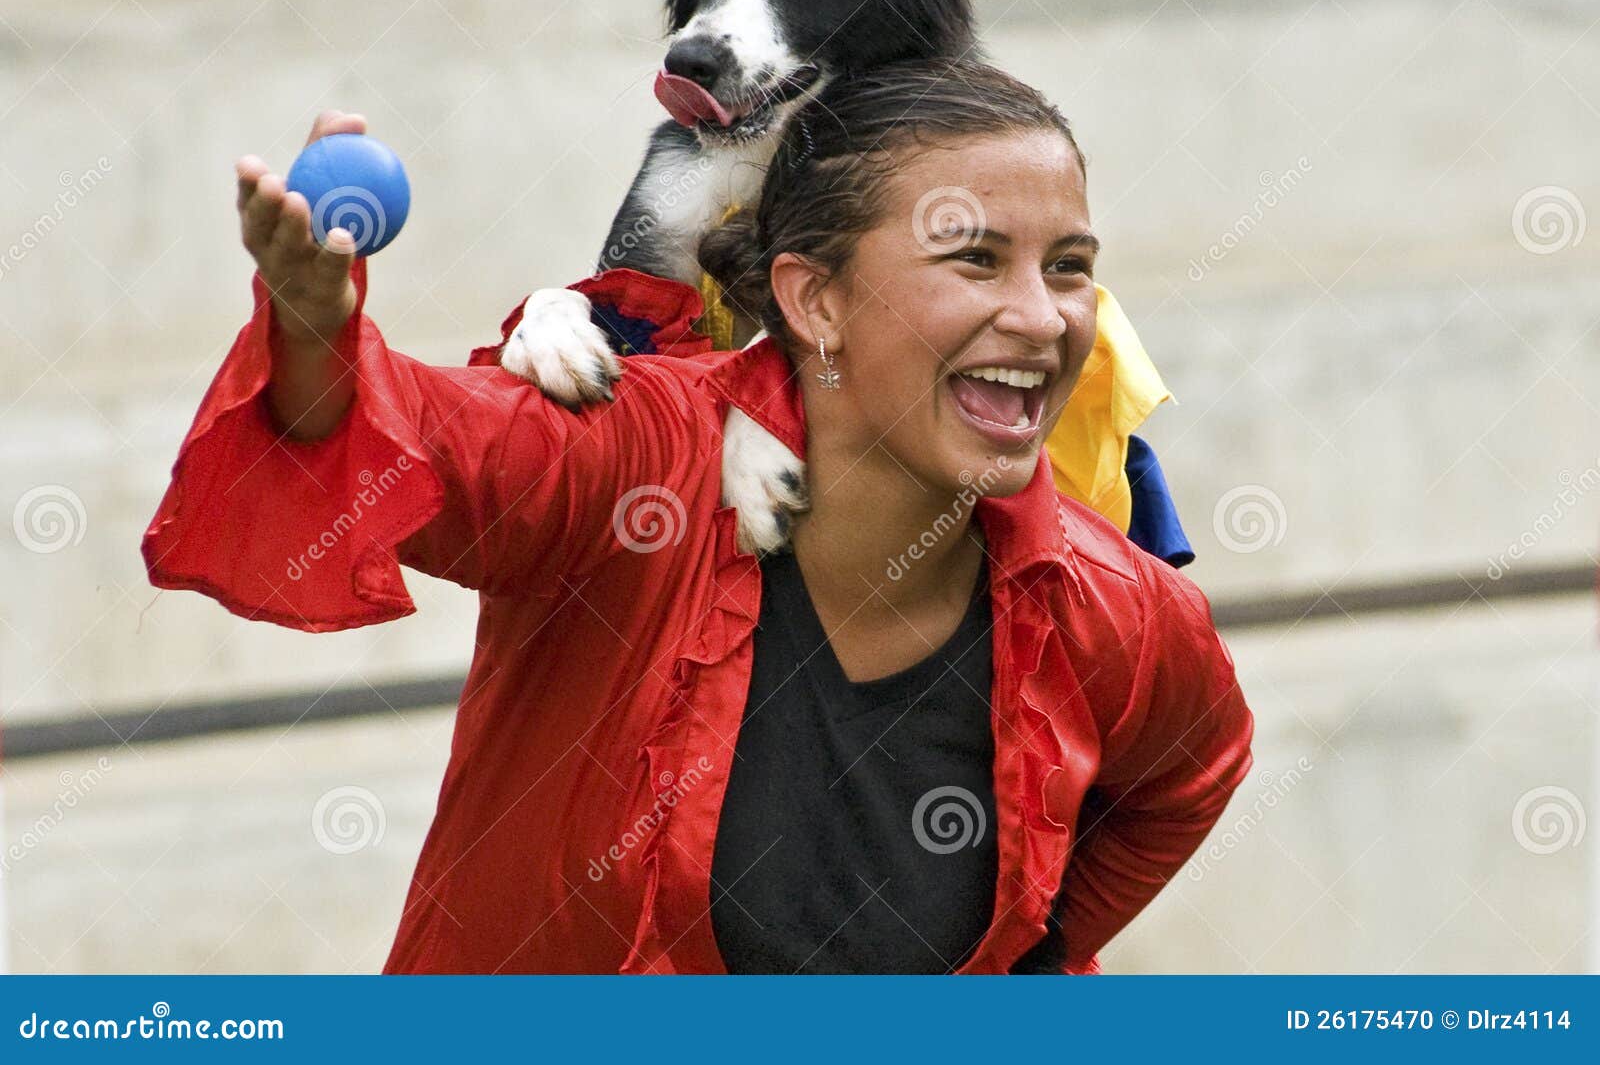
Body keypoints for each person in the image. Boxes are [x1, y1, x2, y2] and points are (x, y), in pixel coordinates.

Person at [143, 59, 1253, 974]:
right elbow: (426, 441)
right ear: (816, 301)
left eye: (1068, 268)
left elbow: (1190, 765)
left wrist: (1033, 963)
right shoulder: (639, 458)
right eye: (973, 258)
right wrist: (311, 333)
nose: (1040, 314)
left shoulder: (1119, 608)